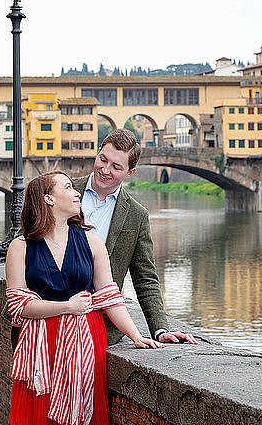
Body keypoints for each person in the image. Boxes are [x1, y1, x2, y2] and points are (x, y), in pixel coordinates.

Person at [6, 171, 164, 425]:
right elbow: (19, 305)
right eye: (68, 187)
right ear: (48, 199)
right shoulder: (20, 247)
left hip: (85, 340)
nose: (77, 192)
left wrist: (136, 336)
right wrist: (67, 306)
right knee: (39, 414)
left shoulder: (92, 242)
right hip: (41, 343)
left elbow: (110, 296)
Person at [73, 128, 197, 347]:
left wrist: (160, 329)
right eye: (103, 159)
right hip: (48, 318)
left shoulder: (136, 215)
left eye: (116, 167)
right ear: (98, 152)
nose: (105, 170)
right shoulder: (65, 191)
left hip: (99, 327)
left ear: (130, 173)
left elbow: (145, 277)